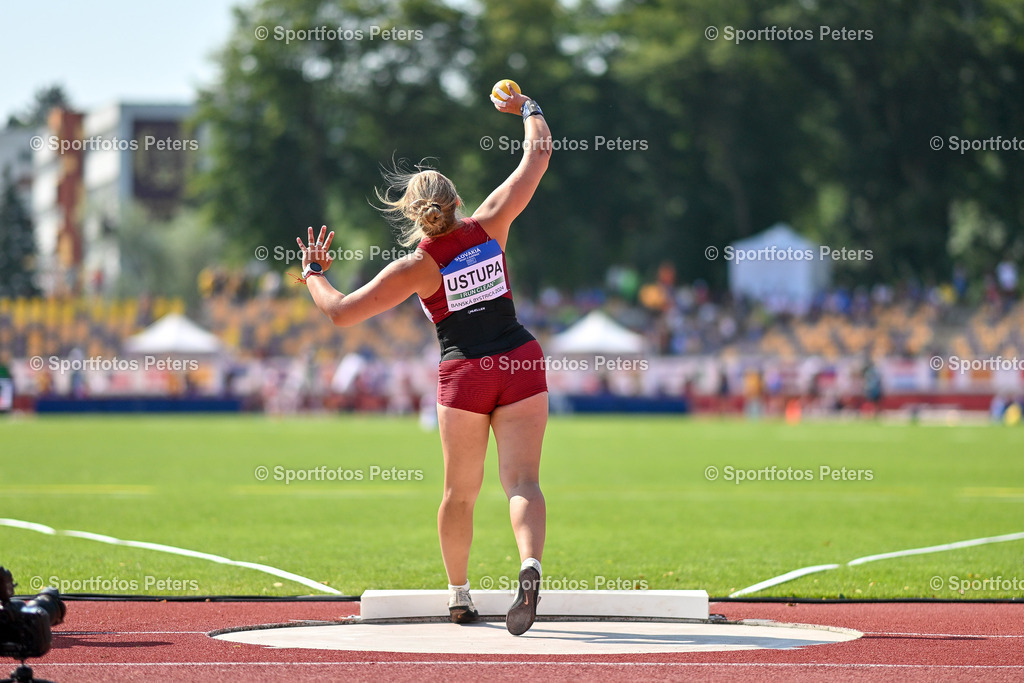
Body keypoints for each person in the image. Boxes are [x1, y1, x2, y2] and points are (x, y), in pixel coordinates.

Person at [295, 85, 552, 636]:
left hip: (465, 375)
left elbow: (340, 313)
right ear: (456, 201)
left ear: (414, 215)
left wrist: (313, 274)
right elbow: (538, 154)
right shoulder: (490, 224)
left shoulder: (415, 267)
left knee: (459, 493)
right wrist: (527, 107)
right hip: (519, 360)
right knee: (523, 483)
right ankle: (529, 566)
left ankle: (460, 597)